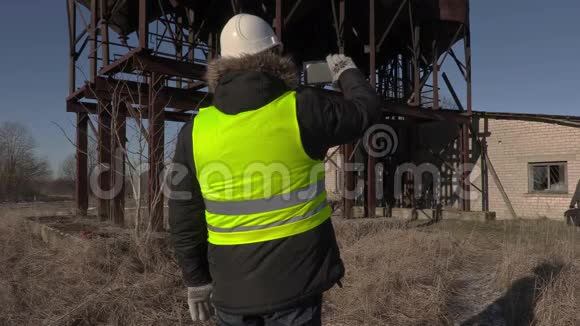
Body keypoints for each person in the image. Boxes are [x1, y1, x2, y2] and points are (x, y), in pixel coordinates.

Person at [169, 13, 382, 326]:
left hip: (230, 294)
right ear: (274, 56)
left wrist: (196, 279)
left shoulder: (195, 131)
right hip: (297, 288)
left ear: (222, 64)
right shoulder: (302, 108)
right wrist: (347, 73)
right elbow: (366, 111)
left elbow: (183, 216)